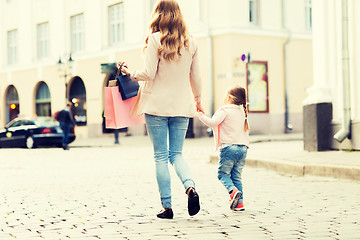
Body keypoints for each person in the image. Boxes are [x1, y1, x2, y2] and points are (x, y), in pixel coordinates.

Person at [119, 0, 202, 219]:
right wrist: (198, 99)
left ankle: (167, 207)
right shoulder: (191, 43)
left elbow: (149, 73)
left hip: (156, 105)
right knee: (177, 154)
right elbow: (196, 77)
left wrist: (130, 73)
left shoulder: (155, 40)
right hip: (182, 105)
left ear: (158, 15)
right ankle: (190, 187)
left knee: (160, 157)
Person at [197, 86, 250, 211]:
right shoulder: (242, 111)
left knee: (223, 174)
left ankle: (233, 192)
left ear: (229, 97)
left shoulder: (224, 110)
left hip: (229, 148)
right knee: (236, 176)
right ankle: (239, 204)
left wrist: (200, 114)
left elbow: (212, 122)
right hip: (243, 148)